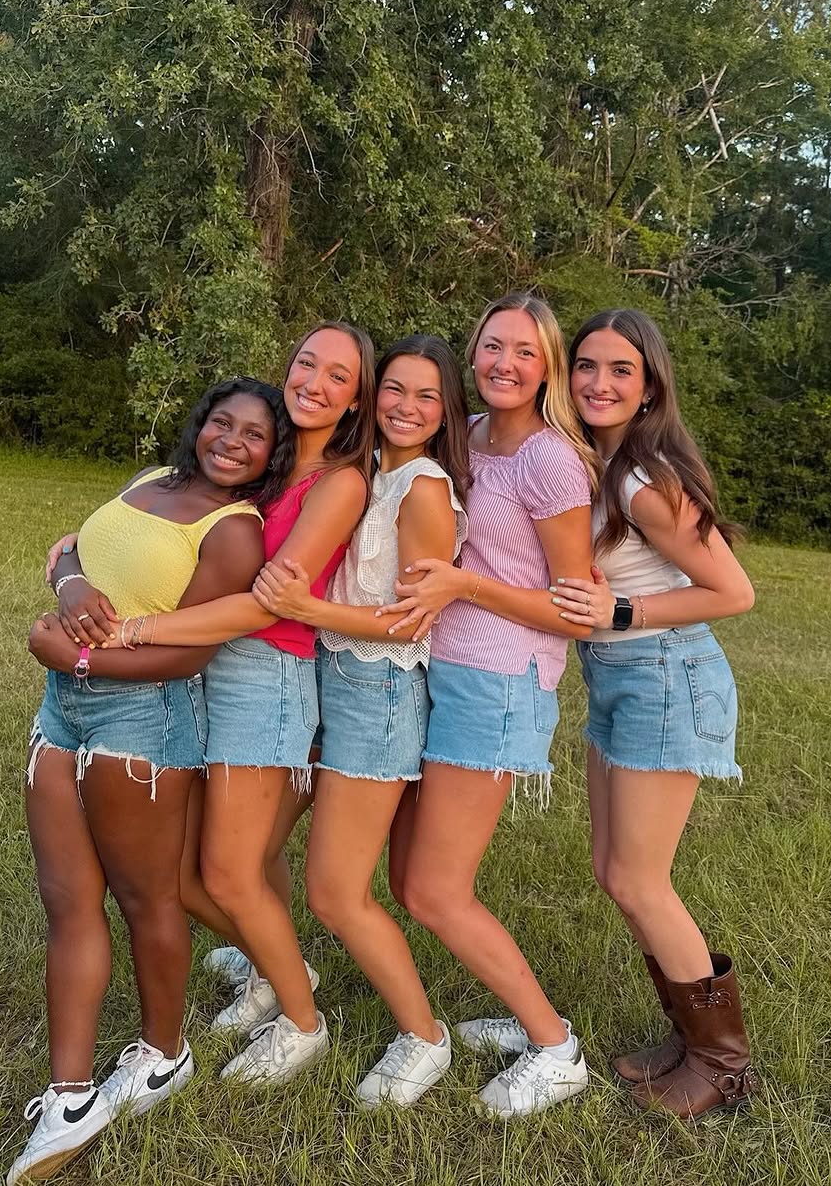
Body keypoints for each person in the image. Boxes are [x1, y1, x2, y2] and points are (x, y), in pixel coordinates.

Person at [10, 378, 292, 1186]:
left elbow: (191, 653)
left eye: (254, 435)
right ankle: (69, 1099)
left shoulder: (233, 530)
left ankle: (164, 1053)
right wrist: (68, 585)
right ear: (199, 424)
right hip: (62, 707)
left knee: (146, 898)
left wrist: (81, 658)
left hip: (143, 719)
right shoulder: (152, 481)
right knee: (68, 899)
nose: (232, 441)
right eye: (222, 422)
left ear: (271, 456)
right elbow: (77, 549)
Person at [107, 323, 374, 1088]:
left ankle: (303, 1020)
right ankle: (272, 970)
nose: (315, 382)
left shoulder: (339, 483)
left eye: (338, 376)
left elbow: (267, 604)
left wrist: (137, 630)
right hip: (205, 668)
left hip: (265, 679)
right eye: (306, 364)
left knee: (222, 875)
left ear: (356, 400)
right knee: (208, 868)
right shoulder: (266, 465)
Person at [374, 293, 602, 1118]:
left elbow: (574, 610)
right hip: (435, 670)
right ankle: (532, 1022)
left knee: (437, 890)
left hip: (500, 685)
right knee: (410, 880)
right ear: (472, 354)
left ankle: (555, 1049)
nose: (505, 363)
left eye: (525, 352)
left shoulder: (551, 461)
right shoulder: (463, 437)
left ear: (547, 369)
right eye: (493, 347)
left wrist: (465, 585)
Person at [251, 335, 470, 1106]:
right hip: (325, 677)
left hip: (378, 694)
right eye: (396, 390)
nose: (406, 407)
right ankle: (271, 967)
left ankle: (424, 1036)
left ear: (446, 412)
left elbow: (412, 622)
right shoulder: (368, 470)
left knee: (337, 893)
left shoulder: (424, 489)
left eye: (427, 396)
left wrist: (306, 608)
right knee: (257, 846)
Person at [550, 307, 757, 1119]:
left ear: (648, 389)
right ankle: (687, 1037)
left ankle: (723, 1065)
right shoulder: (595, 463)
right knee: (613, 872)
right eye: (587, 365)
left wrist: (621, 611)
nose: (598, 383)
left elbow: (733, 591)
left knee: (639, 879)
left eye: (620, 371)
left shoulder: (643, 478)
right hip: (618, 677)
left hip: (666, 674)